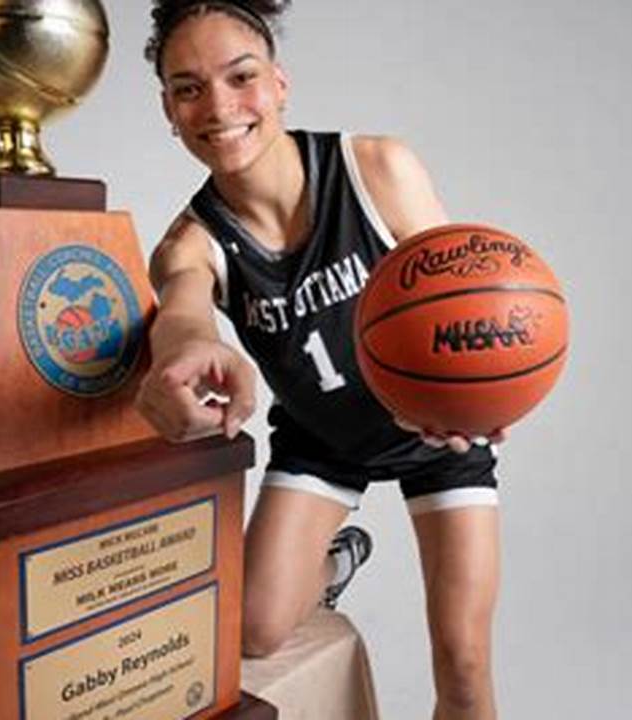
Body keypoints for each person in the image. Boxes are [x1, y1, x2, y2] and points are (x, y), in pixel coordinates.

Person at [136, 2, 505, 718]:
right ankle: (333, 560)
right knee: (252, 632)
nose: (218, 105)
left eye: (240, 77)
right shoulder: (189, 241)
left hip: (432, 435)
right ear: (169, 109)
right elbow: (182, 310)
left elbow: (458, 305)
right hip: (322, 440)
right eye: (188, 88)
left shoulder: (375, 170)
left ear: (278, 83)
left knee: (462, 663)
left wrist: (471, 399)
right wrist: (187, 348)